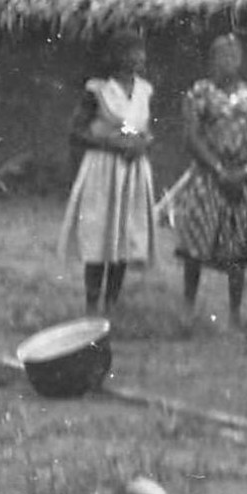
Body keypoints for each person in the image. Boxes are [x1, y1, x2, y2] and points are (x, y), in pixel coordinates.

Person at [58, 29, 157, 313]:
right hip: (103, 171)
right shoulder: (99, 90)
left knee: (123, 237)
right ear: (116, 56)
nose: (139, 57)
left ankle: (111, 307)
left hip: (132, 172)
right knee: (99, 235)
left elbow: (141, 128)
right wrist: (111, 143)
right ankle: (91, 306)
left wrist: (143, 143)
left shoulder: (144, 91)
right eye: (131, 51)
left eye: (141, 51)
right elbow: (76, 131)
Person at [175, 34, 247, 332]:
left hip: (240, 178)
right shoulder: (199, 93)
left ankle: (235, 314)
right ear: (212, 60)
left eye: (235, 55)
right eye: (223, 55)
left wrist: (246, 168)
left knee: (237, 248)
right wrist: (217, 168)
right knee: (196, 246)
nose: (230, 61)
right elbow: (191, 136)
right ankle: (188, 309)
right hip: (208, 176)